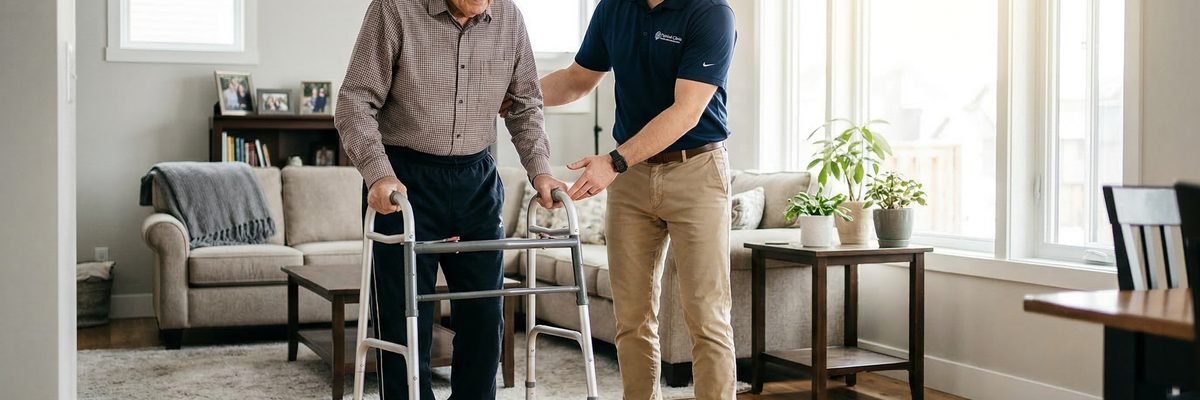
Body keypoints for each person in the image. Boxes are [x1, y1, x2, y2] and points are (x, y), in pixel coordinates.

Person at [335, 0, 567, 399]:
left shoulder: (509, 18)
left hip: (476, 179)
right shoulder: (394, 9)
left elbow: (526, 103)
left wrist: (540, 169)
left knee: (484, 314)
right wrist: (378, 172)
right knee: (404, 317)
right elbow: (355, 101)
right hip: (403, 181)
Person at [531, 0, 738, 398]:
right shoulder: (614, 7)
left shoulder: (711, 12)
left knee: (707, 317)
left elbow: (687, 111)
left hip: (695, 171)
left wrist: (614, 161)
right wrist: (517, 95)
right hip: (631, 178)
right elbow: (577, 78)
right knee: (632, 319)